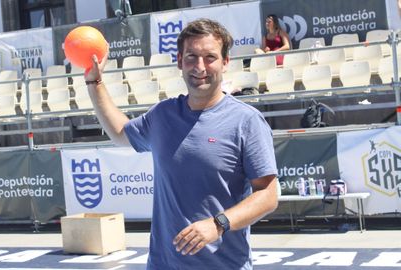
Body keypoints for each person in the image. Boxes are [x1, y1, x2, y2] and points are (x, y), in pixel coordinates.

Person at [84, 18, 278, 269]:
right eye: (191, 57)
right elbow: (120, 132)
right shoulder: (163, 115)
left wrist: (218, 223)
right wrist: (94, 83)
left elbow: (268, 195)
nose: (200, 66)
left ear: (225, 62)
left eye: (210, 57)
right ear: (179, 61)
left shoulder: (246, 121)